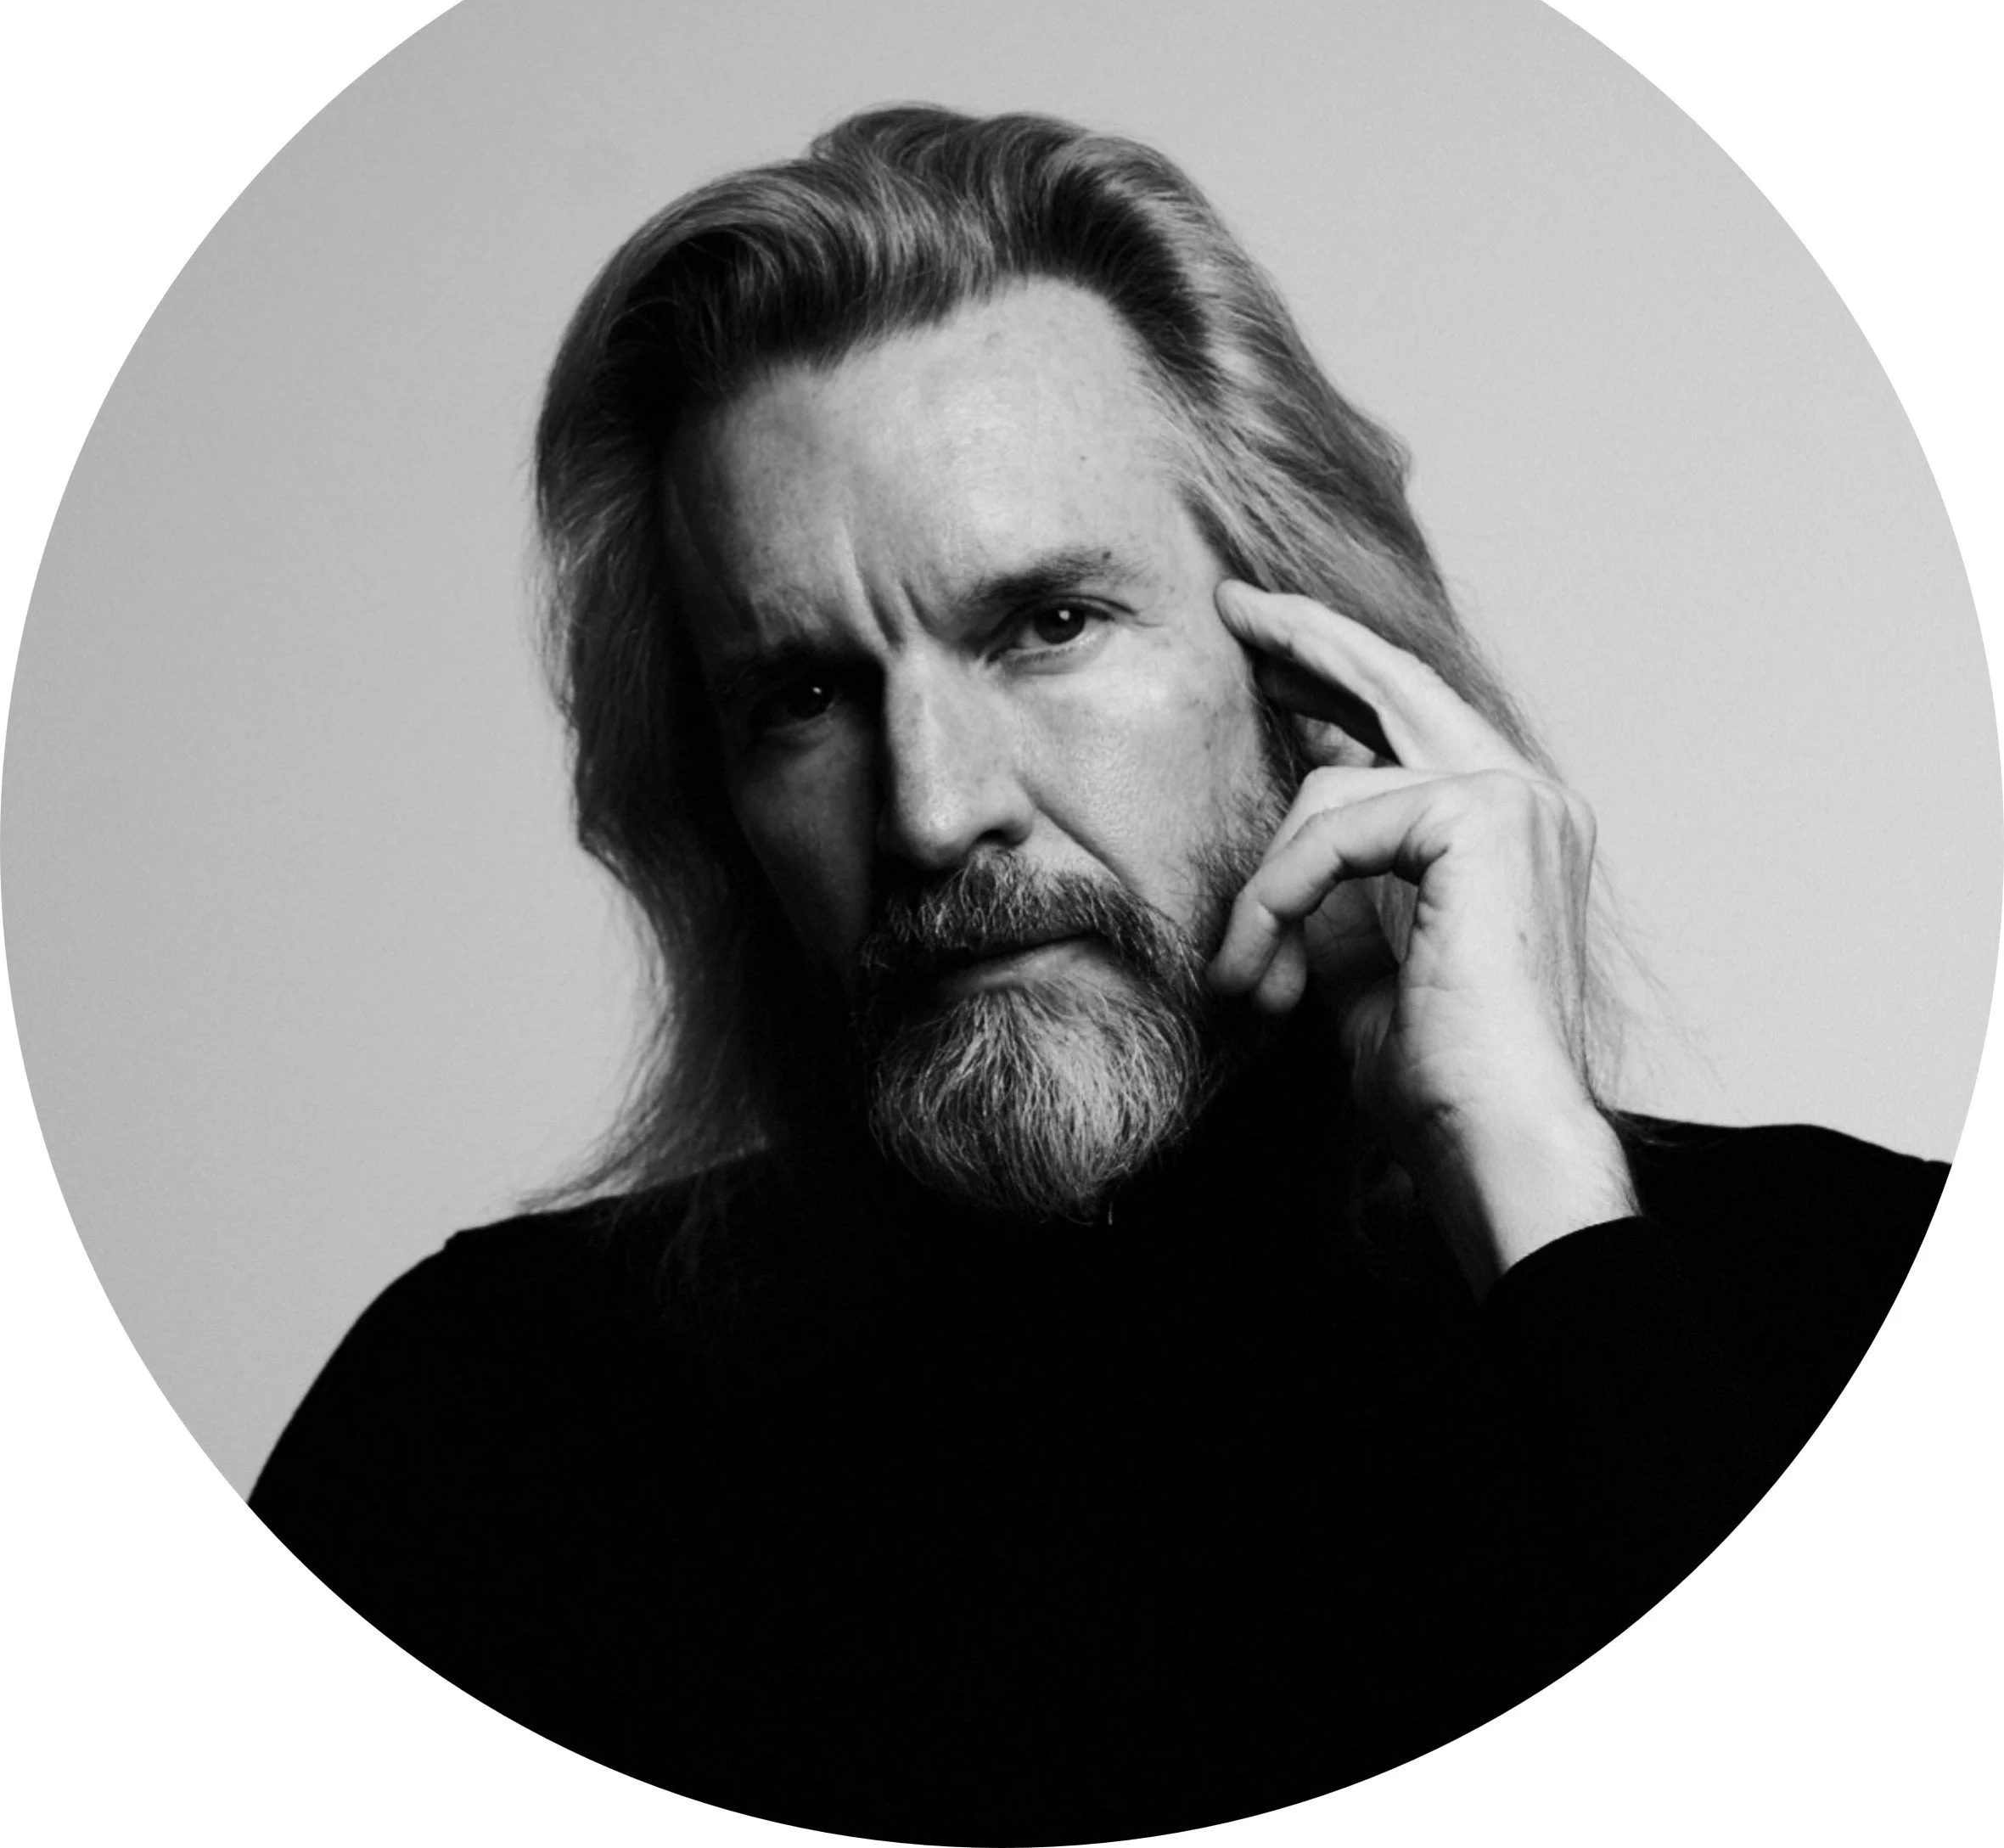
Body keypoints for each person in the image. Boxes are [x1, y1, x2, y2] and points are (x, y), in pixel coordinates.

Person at [252, 107, 1945, 1844]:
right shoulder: (485, 1438)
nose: (934, 807)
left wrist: (1544, 1214)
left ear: (1309, 654)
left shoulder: (1851, 1309)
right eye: (803, 698)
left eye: (1044, 623)